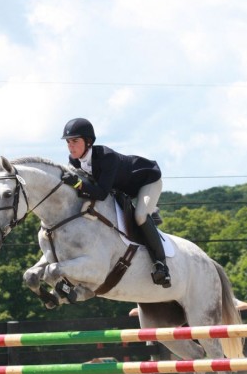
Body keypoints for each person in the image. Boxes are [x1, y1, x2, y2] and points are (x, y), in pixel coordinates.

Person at [61, 117, 171, 288]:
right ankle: (152, 214)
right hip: (123, 190)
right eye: (68, 142)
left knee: (140, 216)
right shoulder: (74, 161)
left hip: (147, 181)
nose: (70, 146)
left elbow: (101, 193)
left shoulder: (107, 158)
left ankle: (161, 265)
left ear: (88, 142)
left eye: (75, 141)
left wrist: (77, 183)